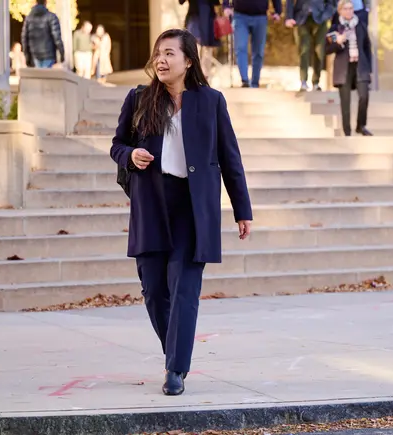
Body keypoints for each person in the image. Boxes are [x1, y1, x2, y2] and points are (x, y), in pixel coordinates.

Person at [109, 28, 253, 396]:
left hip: (193, 209)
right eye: (158, 53)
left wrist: (242, 209)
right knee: (154, 291)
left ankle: (176, 369)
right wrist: (130, 155)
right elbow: (117, 144)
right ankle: (175, 350)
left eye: (170, 53)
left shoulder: (211, 102)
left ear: (188, 61)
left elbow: (229, 156)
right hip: (152, 203)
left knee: (184, 288)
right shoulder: (139, 98)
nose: (161, 60)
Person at [326, 0, 372, 136]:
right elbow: (327, 49)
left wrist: (369, 68)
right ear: (340, 11)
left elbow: (367, 46)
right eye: (345, 9)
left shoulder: (361, 25)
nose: (349, 11)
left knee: (364, 96)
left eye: (351, 8)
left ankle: (361, 125)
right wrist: (338, 43)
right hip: (343, 67)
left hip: (360, 66)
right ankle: (347, 130)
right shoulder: (335, 28)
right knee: (345, 101)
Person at [223, 0, 281, 88]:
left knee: (259, 52)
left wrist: (278, 11)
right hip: (239, 16)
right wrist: (226, 6)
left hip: (260, 16)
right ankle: (245, 80)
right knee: (240, 48)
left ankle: (255, 82)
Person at [285, 0, 336, 91]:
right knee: (304, 50)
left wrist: (325, 15)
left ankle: (316, 82)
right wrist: (289, 17)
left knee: (319, 51)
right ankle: (303, 81)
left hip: (320, 19)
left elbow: (332, 3)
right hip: (301, 18)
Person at [180, 0, 221, 79]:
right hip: (194, 17)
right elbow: (181, 2)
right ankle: (193, 73)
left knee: (207, 47)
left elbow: (216, 2)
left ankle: (205, 76)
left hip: (208, 17)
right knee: (193, 45)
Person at [20, 0, 65, 69]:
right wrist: (62, 53)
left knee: (39, 75)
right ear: (45, 2)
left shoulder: (28, 18)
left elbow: (24, 38)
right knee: (46, 76)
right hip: (49, 53)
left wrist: (27, 55)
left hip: (34, 53)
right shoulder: (51, 17)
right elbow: (57, 37)